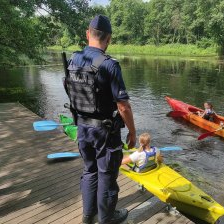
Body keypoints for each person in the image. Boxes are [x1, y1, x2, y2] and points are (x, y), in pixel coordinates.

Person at [63, 15, 136, 224]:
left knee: (89, 171)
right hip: (105, 133)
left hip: (82, 129)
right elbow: (123, 106)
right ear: (109, 38)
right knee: (106, 177)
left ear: (88, 34)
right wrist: (132, 131)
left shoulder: (73, 60)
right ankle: (107, 218)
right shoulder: (109, 65)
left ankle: (88, 215)